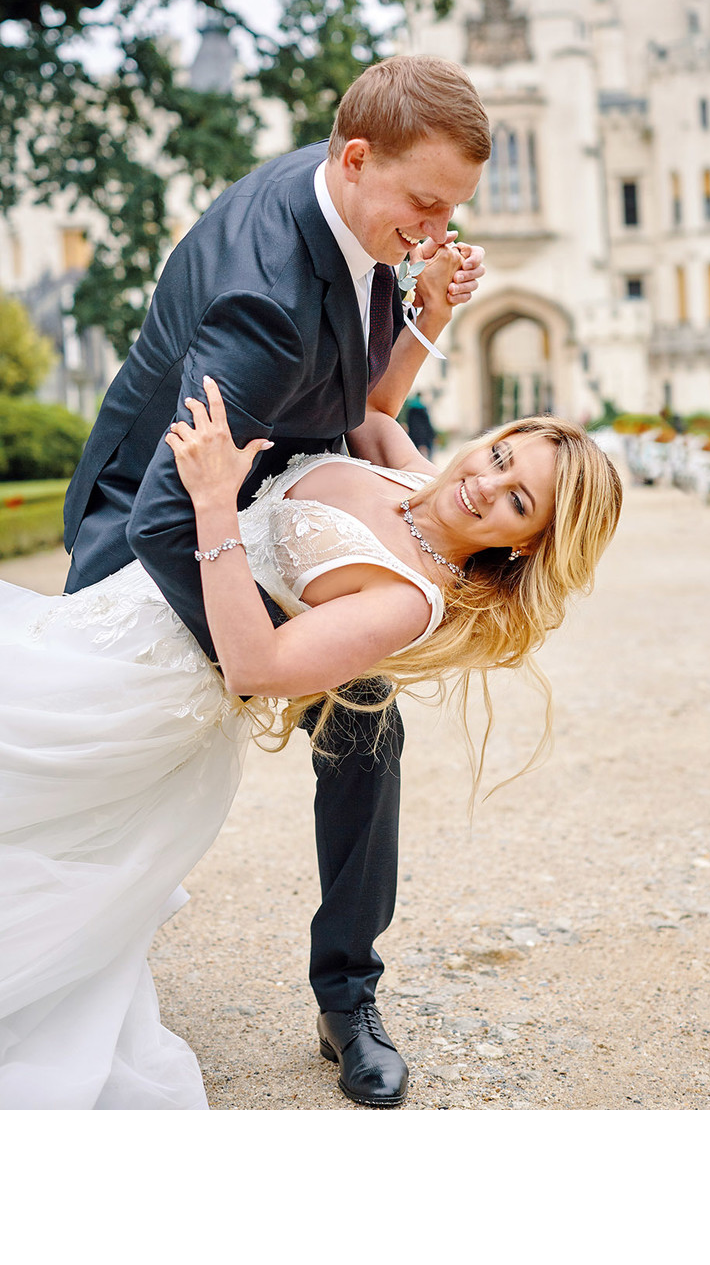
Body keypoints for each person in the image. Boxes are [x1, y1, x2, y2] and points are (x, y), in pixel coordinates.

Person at [59, 55, 490, 1107]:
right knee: (107, 772)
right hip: (154, 531)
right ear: (354, 158)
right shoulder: (266, 296)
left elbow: (357, 402)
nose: (434, 228)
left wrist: (424, 306)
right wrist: (275, 665)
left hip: (269, 504)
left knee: (366, 721)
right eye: (425, 207)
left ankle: (347, 993)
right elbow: (169, 510)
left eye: (449, 211)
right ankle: (68, 961)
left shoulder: (361, 201)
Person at [0, 382, 623, 1108]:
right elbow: (369, 398)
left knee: (368, 735)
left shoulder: (409, 597)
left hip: (161, 680)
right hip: (116, 617)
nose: (484, 484)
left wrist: (211, 502)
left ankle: (348, 997)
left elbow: (255, 667)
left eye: (518, 500)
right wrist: (425, 306)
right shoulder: (416, 474)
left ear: (525, 541)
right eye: (499, 454)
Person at [404, 392, 436, 460]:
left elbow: (410, 424)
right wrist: (432, 435)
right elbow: (427, 424)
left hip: (415, 435)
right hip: (424, 436)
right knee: (427, 456)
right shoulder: (423, 409)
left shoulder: (410, 409)